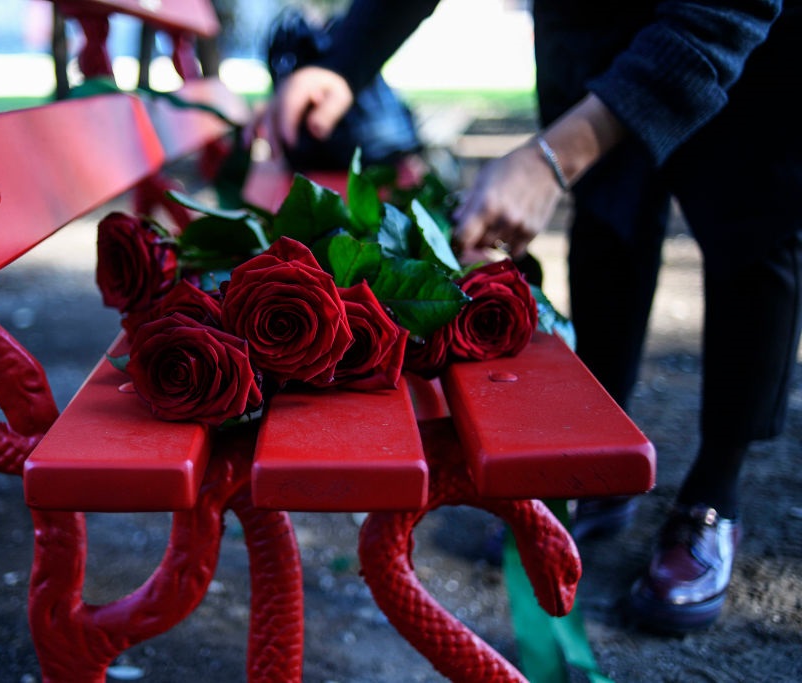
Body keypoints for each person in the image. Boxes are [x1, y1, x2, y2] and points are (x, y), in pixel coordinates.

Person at [266, 0, 802, 633]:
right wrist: (344, 61)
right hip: (585, 32)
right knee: (608, 230)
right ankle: (598, 471)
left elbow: (725, 11)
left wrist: (554, 158)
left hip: (731, 42)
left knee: (751, 237)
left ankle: (716, 493)